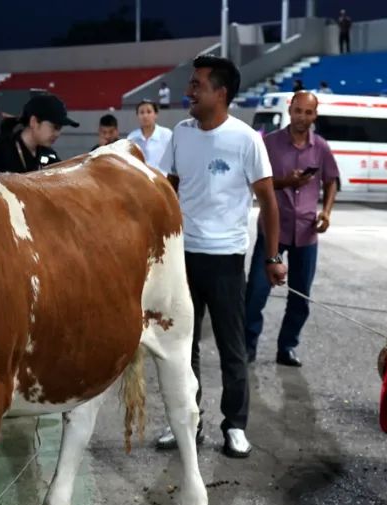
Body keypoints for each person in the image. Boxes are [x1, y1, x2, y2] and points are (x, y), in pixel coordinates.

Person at [156, 55, 287, 458]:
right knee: (182, 346)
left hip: (228, 259)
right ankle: (187, 421)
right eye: (192, 84)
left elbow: (268, 201)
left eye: (198, 85)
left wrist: (271, 256)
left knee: (232, 348)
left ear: (221, 93)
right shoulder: (181, 133)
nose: (190, 91)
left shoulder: (246, 139)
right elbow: (166, 187)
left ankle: (235, 425)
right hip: (183, 258)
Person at [245, 91, 339, 368]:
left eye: (308, 113)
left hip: (307, 233)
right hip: (274, 230)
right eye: (298, 111)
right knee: (256, 294)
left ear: (315, 115)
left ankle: (287, 347)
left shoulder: (320, 147)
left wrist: (327, 212)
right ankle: (248, 346)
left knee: (300, 298)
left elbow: (332, 180)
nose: (302, 117)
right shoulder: (270, 143)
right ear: (290, 110)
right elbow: (256, 182)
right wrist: (285, 182)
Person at [0, 93, 78, 173]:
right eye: (55, 127)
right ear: (34, 122)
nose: (57, 134)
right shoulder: (4, 152)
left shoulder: (48, 153)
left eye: (60, 128)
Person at [127, 100, 172, 171]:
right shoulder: (131, 137)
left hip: (162, 179)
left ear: (156, 114)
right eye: (141, 112)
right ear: (137, 115)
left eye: (149, 112)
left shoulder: (167, 134)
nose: (145, 116)